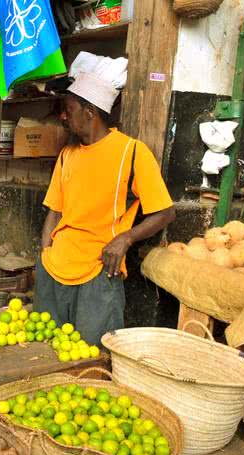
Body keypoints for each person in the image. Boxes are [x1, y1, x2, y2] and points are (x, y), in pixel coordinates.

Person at [36, 72, 176, 347]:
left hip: (99, 270)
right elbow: (54, 211)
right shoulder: (67, 155)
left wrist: (125, 238)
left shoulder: (132, 152)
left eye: (69, 111)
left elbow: (165, 212)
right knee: (45, 349)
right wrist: (44, 256)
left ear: (89, 113)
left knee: (93, 352)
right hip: (54, 268)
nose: (64, 117)